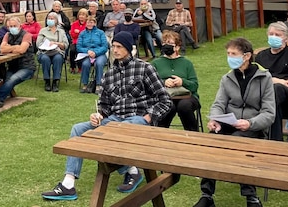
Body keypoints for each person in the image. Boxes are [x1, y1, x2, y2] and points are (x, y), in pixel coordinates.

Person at [41, 31, 172, 201]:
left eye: (119, 47)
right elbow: (105, 107)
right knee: (79, 129)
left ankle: (132, 171)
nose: (115, 50)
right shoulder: (108, 75)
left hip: (137, 119)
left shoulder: (145, 68)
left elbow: (165, 100)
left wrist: (148, 118)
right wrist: (98, 115)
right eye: (113, 47)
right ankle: (68, 183)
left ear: (129, 49)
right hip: (114, 120)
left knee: (120, 129)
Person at [193, 38, 274, 207]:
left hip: (253, 127)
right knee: (211, 142)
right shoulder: (227, 78)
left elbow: (269, 113)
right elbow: (218, 104)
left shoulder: (264, 78)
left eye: (233, 54)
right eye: (228, 54)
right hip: (229, 123)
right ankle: (206, 195)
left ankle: (251, 196)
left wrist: (250, 123)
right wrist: (215, 119)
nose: (230, 57)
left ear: (246, 56)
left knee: (239, 142)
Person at [255, 21, 288, 143]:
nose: (273, 37)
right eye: (271, 34)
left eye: (277, 35)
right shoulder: (261, 57)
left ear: (286, 38)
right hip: (267, 98)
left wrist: (279, 82)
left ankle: (275, 140)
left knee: (277, 89)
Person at [151, 30, 200, 131]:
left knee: (184, 106)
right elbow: (150, 85)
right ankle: (161, 135)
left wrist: (182, 82)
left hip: (187, 96)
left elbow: (194, 85)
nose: (166, 45)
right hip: (165, 96)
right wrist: (163, 82)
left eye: (170, 43)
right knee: (168, 106)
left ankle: (193, 136)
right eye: (164, 43)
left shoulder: (186, 63)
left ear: (177, 47)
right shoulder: (155, 63)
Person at [0, 16, 36, 105]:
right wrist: (16, 47)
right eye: (10, 26)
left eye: (14, 26)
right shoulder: (7, 35)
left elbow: (22, 50)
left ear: (20, 26)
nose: (12, 28)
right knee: (6, 81)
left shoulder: (26, 35)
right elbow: (2, 49)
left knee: (12, 79)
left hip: (27, 66)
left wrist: (10, 47)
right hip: (13, 66)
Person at [37, 12, 69, 92]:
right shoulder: (43, 30)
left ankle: (55, 81)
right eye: (49, 18)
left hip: (57, 51)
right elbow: (38, 44)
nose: (50, 20)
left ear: (56, 20)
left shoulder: (61, 31)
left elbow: (66, 45)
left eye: (52, 18)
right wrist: (47, 45)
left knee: (58, 58)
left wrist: (56, 43)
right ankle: (47, 81)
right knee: (45, 59)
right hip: (44, 52)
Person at [76, 16, 109, 93]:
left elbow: (105, 46)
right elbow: (79, 47)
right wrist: (88, 51)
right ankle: (85, 84)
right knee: (85, 64)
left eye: (91, 22)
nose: (89, 24)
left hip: (99, 53)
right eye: (88, 22)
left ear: (95, 23)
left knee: (99, 63)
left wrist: (95, 52)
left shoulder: (101, 33)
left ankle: (98, 85)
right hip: (86, 54)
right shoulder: (82, 33)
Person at [68, 8, 87, 73]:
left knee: (80, 51)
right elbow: (73, 35)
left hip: (84, 43)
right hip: (75, 42)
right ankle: (72, 67)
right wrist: (80, 33)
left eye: (83, 15)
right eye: (80, 15)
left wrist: (78, 32)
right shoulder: (74, 24)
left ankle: (80, 68)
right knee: (72, 51)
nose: (81, 16)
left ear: (86, 17)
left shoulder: (88, 24)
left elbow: (86, 35)